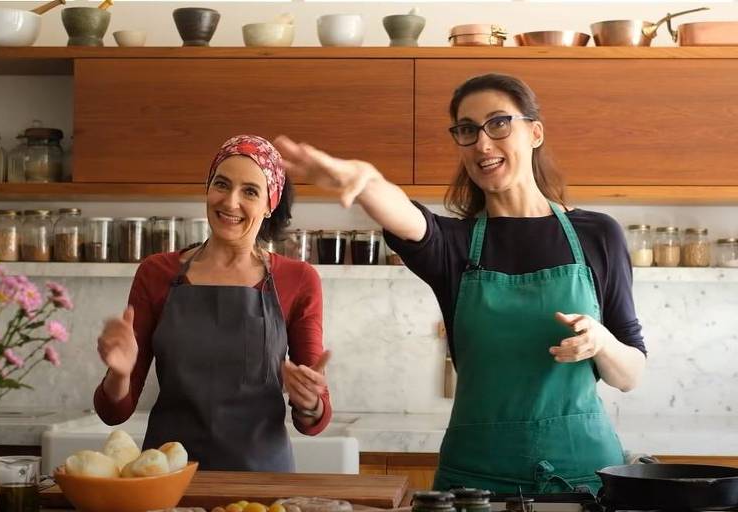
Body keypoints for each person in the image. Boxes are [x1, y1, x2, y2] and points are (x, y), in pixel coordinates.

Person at [273, 73, 647, 493]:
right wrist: (367, 180)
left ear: (535, 132)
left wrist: (601, 341)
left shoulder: (598, 234)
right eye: (467, 130)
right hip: (473, 486)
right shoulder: (455, 244)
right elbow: (408, 218)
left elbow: (630, 374)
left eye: (498, 123)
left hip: (582, 479)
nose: (482, 143)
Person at [93, 135, 332, 472]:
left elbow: (314, 419)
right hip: (164, 476)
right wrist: (119, 375)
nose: (230, 202)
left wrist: (309, 402)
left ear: (269, 204)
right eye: (221, 184)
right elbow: (113, 412)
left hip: (261, 483)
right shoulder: (156, 273)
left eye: (250, 191)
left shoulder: (299, 279)